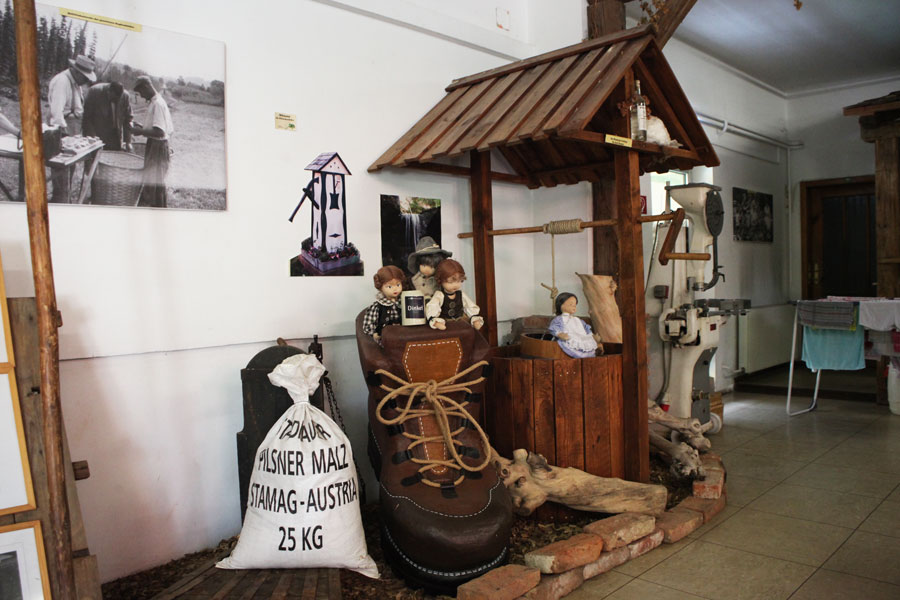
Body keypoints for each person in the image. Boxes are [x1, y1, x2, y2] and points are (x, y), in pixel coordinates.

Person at [47, 54, 96, 203]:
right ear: (76, 71)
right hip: (62, 130)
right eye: (85, 77)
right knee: (61, 170)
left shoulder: (75, 83)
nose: (86, 81)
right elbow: (56, 112)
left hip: (73, 129)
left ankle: (64, 198)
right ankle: (59, 200)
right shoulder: (62, 81)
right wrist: (64, 137)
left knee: (70, 169)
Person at [129, 75, 174, 207]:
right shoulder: (155, 102)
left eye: (141, 92)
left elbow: (160, 132)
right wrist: (142, 127)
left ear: (146, 87)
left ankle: (159, 211)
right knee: (152, 183)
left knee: (156, 184)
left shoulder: (158, 104)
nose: (142, 96)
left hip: (158, 147)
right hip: (154, 144)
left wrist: (140, 132)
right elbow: (155, 127)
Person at [425, 259, 484, 331]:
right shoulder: (439, 295)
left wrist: (474, 318)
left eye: (459, 281)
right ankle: (437, 323)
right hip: (446, 323)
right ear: (440, 280)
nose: (455, 285)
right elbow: (433, 306)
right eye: (450, 282)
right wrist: (434, 319)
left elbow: (469, 306)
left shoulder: (461, 294)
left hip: (460, 323)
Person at [82, 81, 133, 151]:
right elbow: (87, 117)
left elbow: (128, 119)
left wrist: (128, 141)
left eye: (118, 99)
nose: (115, 101)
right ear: (109, 91)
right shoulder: (95, 92)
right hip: (97, 135)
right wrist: (91, 137)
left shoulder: (125, 96)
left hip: (115, 136)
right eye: (113, 98)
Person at [362, 265, 406, 343]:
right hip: (386, 340)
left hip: (404, 337)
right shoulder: (377, 307)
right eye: (389, 286)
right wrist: (375, 333)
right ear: (380, 287)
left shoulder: (404, 302)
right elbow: (368, 325)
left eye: (398, 285)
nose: (395, 289)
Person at [548, 293, 599, 358]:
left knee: (587, 346)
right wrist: (559, 334)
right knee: (569, 344)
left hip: (581, 337)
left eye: (575, 305)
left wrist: (592, 335)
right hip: (568, 338)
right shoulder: (559, 319)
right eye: (571, 304)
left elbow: (585, 328)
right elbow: (554, 327)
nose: (574, 307)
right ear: (561, 305)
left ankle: (591, 353)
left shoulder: (577, 319)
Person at [407, 236, 450, 300]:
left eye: (432, 266)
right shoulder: (413, 280)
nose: (427, 269)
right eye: (424, 265)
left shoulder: (440, 280)